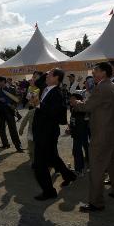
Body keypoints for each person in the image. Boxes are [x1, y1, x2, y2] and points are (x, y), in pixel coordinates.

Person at [72, 62, 114, 212]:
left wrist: (76, 102)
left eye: (95, 71)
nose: (93, 74)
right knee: (112, 164)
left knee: (96, 169)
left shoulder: (101, 87)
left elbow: (86, 107)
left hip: (101, 137)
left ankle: (96, 203)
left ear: (103, 72)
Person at [32, 69, 76, 201]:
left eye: (49, 75)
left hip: (47, 132)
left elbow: (56, 114)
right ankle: (69, 175)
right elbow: (38, 81)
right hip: (41, 130)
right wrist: (48, 72)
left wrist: (39, 105)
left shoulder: (57, 93)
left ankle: (49, 191)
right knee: (52, 157)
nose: (46, 77)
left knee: (39, 164)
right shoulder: (45, 87)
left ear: (56, 78)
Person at [0, 76, 23, 152]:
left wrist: (14, 106)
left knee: (13, 129)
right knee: (1, 129)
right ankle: (5, 144)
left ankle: (18, 146)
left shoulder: (12, 89)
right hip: (0, 112)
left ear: (4, 81)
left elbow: (16, 99)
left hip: (10, 112)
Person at [68, 93, 89, 177]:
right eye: (70, 98)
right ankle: (83, 167)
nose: (70, 100)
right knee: (82, 149)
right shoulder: (74, 109)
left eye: (72, 98)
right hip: (77, 133)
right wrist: (70, 128)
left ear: (78, 100)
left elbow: (81, 123)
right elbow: (74, 121)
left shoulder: (80, 110)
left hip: (79, 134)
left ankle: (79, 170)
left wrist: (74, 130)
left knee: (77, 151)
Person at [19, 93, 39, 166]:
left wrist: (21, 130)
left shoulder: (31, 112)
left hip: (33, 132)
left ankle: (34, 161)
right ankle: (35, 161)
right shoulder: (31, 111)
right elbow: (24, 121)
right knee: (34, 147)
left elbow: (24, 121)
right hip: (35, 132)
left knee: (31, 148)